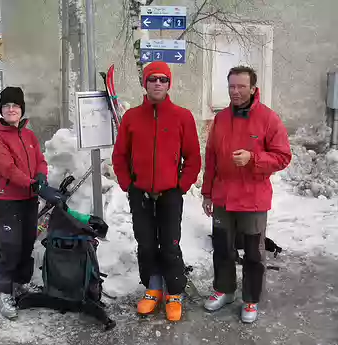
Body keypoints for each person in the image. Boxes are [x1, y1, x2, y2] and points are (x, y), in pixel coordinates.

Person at [112, 61, 202, 322]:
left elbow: (193, 156)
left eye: (163, 79)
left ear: (169, 84)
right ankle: (152, 288)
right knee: (147, 243)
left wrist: (181, 186)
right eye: (153, 79)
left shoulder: (182, 116)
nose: (158, 84)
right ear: (146, 83)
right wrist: (128, 185)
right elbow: (120, 156)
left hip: (170, 193)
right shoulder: (132, 117)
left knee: (170, 243)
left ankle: (174, 292)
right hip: (140, 192)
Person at [201, 66, 292, 323]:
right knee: (222, 248)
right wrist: (207, 193)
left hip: (253, 199)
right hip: (222, 198)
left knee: (253, 253)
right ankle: (225, 290)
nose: (236, 91)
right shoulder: (220, 119)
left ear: (253, 89)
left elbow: (283, 156)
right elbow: (211, 159)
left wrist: (253, 158)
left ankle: (250, 300)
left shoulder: (268, 118)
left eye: (241, 86)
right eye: (231, 86)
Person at [0, 86, 62, 319]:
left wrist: (40, 176)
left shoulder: (28, 135)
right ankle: (2, 291)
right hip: (9, 200)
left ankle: (20, 283)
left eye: (15, 106)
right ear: (1, 110)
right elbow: (7, 168)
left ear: (21, 109)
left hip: (29, 199)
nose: (11, 110)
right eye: (7, 106)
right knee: (11, 247)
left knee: (27, 243)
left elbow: (40, 160)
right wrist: (32, 184)